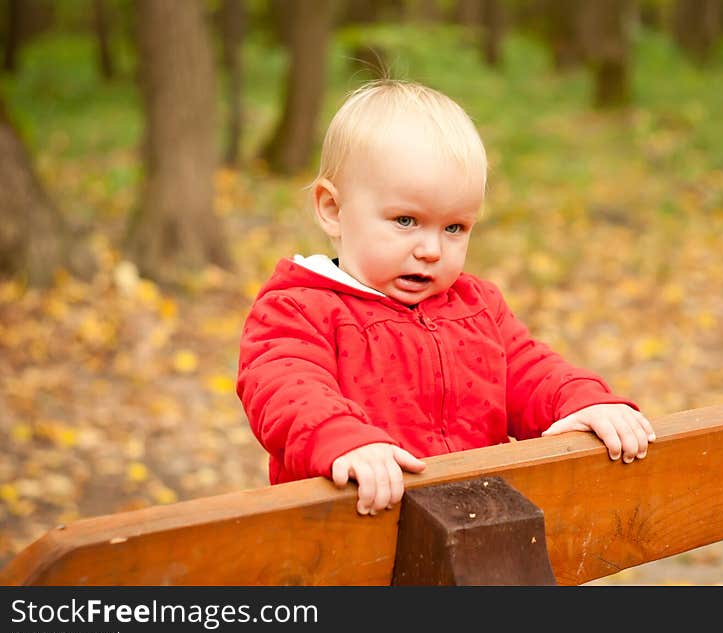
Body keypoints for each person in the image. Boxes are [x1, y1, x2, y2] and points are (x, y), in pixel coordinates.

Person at [237, 79, 655, 516]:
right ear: (332, 209)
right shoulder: (300, 307)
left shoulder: (476, 307)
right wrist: (343, 439)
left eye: (454, 228)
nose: (432, 249)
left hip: (477, 529)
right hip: (355, 537)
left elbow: (528, 369)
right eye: (405, 220)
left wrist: (581, 400)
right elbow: (285, 387)